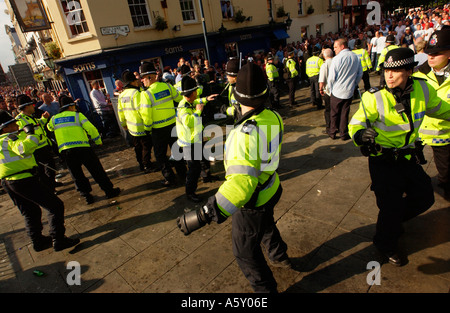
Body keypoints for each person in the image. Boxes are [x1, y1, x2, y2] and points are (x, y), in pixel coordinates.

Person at [176, 63, 290, 293]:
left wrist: (205, 213)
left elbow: (241, 185)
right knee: (266, 224)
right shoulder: (274, 116)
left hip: (253, 201)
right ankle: (279, 254)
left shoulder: (242, 135)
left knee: (245, 252)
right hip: (271, 187)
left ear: (237, 97)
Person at [348, 47, 450, 266]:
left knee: (425, 197)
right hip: (383, 160)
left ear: (409, 71)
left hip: (407, 157)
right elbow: (356, 123)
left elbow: (441, 109)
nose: (389, 75)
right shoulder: (373, 97)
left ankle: (391, 223)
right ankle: (385, 243)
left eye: (395, 71)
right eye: (386, 71)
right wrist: (359, 135)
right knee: (389, 206)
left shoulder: (423, 89)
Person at [0, 110, 79, 252]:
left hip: (8, 182)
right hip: (23, 179)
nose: (16, 126)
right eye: (12, 124)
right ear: (4, 128)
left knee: (30, 211)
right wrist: (30, 134)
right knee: (55, 206)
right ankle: (59, 239)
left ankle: (38, 241)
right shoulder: (8, 138)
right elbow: (25, 149)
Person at [47, 96, 120, 204]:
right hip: (83, 148)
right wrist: (98, 141)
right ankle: (109, 191)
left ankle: (86, 196)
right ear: (71, 106)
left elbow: (49, 128)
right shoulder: (78, 116)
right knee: (96, 171)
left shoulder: (54, 119)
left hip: (66, 151)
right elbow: (91, 128)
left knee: (77, 175)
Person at [139, 62, 187, 187]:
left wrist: (147, 129)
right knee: (177, 151)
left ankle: (170, 178)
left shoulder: (146, 94)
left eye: (143, 78)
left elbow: (146, 116)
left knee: (160, 156)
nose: (142, 81)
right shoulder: (167, 86)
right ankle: (183, 174)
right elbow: (179, 99)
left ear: (150, 77)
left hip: (158, 131)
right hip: (173, 126)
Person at [415, 28, 450, 199]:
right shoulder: (418, 74)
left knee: (446, 177)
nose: (431, 56)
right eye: (429, 52)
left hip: (444, 137)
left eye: (437, 53)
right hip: (418, 135)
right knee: (409, 172)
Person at [175, 76, 218, 202]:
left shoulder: (190, 101)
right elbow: (188, 122)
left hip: (196, 139)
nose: (197, 93)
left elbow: (197, 101)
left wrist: (206, 99)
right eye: (196, 91)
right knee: (193, 169)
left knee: (202, 160)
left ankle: (206, 176)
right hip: (188, 143)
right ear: (192, 92)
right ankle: (190, 192)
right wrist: (198, 112)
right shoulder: (182, 106)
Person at [15, 95, 59, 193]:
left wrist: (43, 119)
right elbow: (22, 137)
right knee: (43, 172)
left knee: (50, 168)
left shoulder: (30, 117)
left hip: (43, 147)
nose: (34, 107)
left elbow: (37, 126)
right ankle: (50, 189)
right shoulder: (19, 121)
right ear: (26, 107)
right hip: (35, 151)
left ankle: (51, 184)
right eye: (32, 105)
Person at [117, 70, 155, 173]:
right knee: (146, 146)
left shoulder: (121, 95)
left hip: (131, 127)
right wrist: (148, 124)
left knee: (137, 147)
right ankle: (147, 165)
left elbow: (120, 112)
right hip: (141, 126)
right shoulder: (137, 93)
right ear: (132, 82)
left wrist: (123, 124)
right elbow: (142, 110)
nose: (138, 82)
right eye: (136, 80)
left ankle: (141, 164)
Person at [327, 38, 363, 140]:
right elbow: (360, 73)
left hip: (337, 91)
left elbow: (331, 77)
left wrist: (329, 90)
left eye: (335, 47)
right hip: (349, 90)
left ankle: (333, 132)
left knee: (334, 113)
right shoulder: (355, 57)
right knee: (344, 113)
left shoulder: (337, 59)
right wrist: (354, 84)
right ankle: (343, 133)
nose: (334, 50)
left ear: (342, 46)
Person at [319, 48, 334, 136]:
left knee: (328, 110)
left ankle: (329, 127)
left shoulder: (324, 65)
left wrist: (321, 89)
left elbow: (322, 80)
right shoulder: (337, 62)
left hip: (328, 91)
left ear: (324, 56)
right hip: (337, 90)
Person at [222, 57, 242, 121]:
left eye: (228, 75)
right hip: (237, 120)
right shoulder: (231, 86)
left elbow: (241, 110)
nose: (226, 77)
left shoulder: (243, 89)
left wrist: (226, 109)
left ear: (234, 77)